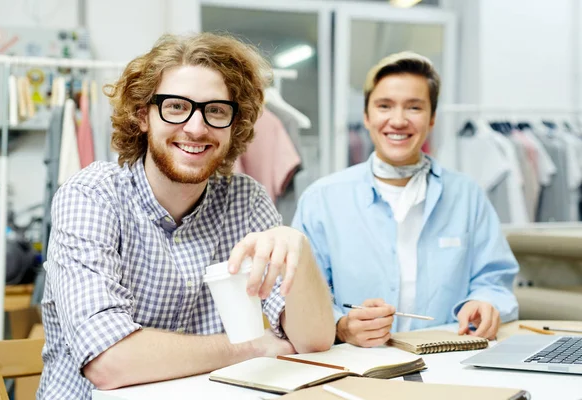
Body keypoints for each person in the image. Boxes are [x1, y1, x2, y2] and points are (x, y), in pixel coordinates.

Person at [38, 33, 335, 399]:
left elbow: (314, 341)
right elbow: (108, 362)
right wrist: (252, 346)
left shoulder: (246, 200)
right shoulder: (92, 195)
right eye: (176, 107)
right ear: (141, 115)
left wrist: (298, 249)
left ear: (233, 125)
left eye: (215, 110)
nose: (196, 127)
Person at [292, 51, 519, 348]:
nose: (398, 121)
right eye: (384, 106)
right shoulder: (321, 200)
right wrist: (341, 325)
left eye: (414, 107)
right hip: (357, 364)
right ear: (367, 116)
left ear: (432, 117)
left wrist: (484, 301)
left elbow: (494, 278)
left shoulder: (467, 196)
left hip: (448, 360)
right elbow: (301, 294)